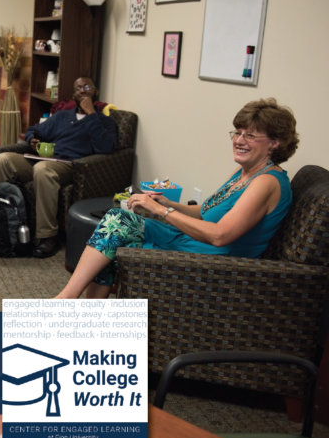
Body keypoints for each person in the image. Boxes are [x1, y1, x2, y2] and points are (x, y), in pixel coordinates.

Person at [56, 98, 298, 300]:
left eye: (251, 136)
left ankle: (66, 300)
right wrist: (168, 204)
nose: (239, 140)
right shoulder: (245, 172)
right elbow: (207, 211)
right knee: (114, 227)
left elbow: (220, 235)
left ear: (275, 143)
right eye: (238, 132)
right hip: (195, 243)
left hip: (218, 263)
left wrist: (161, 212)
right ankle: (82, 312)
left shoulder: (267, 181)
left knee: (116, 228)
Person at [0, 77, 117, 258]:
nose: (83, 90)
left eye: (87, 87)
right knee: (3, 160)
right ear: (73, 94)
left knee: (43, 169)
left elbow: (106, 148)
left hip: (73, 166)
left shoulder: (105, 122)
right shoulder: (62, 116)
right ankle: (2, 224)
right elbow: (34, 129)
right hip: (46, 159)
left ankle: (47, 236)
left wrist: (91, 115)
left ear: (95, 92)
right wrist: (32, 139)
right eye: (78, 88)